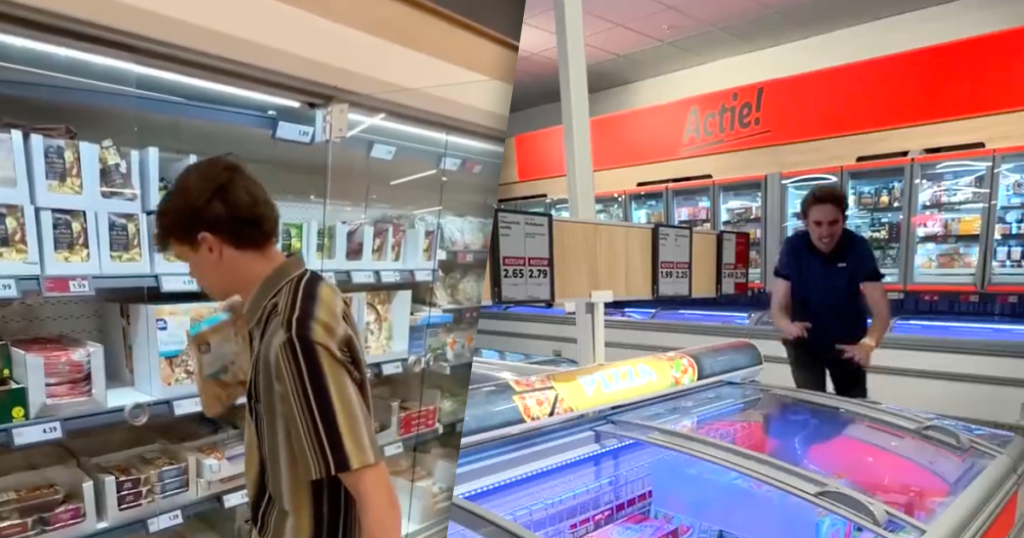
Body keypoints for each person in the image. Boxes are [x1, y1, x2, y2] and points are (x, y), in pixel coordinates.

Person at [155, 156, 401, 538]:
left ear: (209, 246)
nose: (191, 273)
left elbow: (375, 494)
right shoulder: (305, 292)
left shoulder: (292, 333)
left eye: (187, 259)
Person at [770, 184, 891, 399]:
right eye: (817, 224)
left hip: (848, 345)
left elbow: (881, 312)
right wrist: (787, 326)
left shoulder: (857, 247)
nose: (825, 233)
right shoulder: (794, 247)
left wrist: (868, 344)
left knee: (854, 408)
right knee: (813, 407)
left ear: (843, 221)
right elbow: (778, 307)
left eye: (833, 223)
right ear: (805, 222)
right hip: (804, 344)